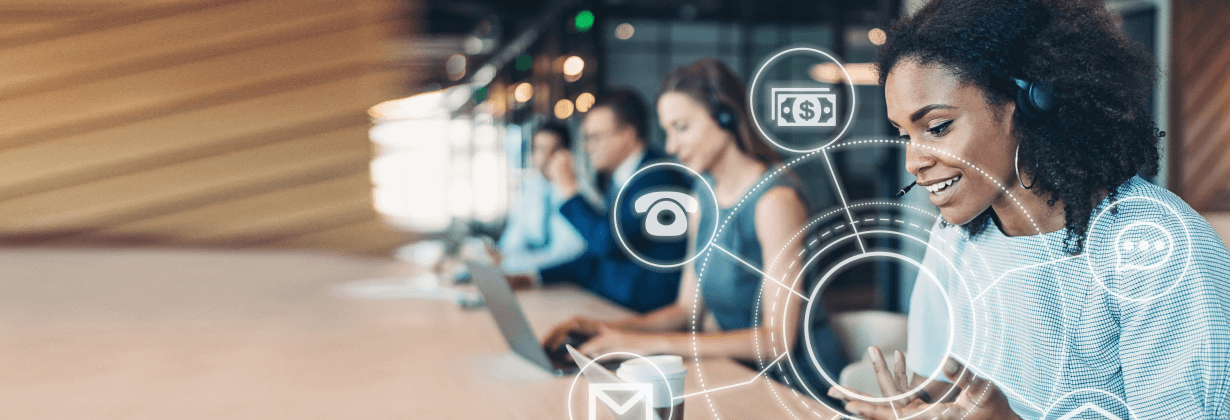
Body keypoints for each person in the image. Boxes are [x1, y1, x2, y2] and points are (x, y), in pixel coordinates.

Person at [828, 1, 1230, 419]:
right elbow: (947, 388)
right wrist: (922, 409)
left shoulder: (1153, 248)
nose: (914, 160)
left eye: (937, 127)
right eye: (904, 133)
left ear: (1031, 103)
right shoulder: (954, 241)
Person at [544, 60, 846, 386]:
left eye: (682, 127)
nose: (672, 146)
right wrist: (609, 330)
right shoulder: (703, 194)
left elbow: (777, 341)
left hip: (798, 387)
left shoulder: (776, 200)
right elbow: (687, 309)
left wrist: (648, 345)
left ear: (726, 117)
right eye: (667, 131)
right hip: (743, 377)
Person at [535, 89, 690, 313]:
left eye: (594, 137)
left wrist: (569, 189)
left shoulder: (658, 178)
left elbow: (607, 242)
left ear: (627, 135)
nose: (588, 147)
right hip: (614, 307)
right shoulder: (622, 178)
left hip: (644, 315)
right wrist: (536, 277)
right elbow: (595, 259)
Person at [491, 122, 588, 276]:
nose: (545, 157)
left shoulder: (578, 196)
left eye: (553, 150)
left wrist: (513, 265)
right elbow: (514, 239)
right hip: (529, 278)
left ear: (567, 153)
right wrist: (499, 258)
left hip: (563, 283)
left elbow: (565, 255)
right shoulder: (530, 188)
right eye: (540, 149)